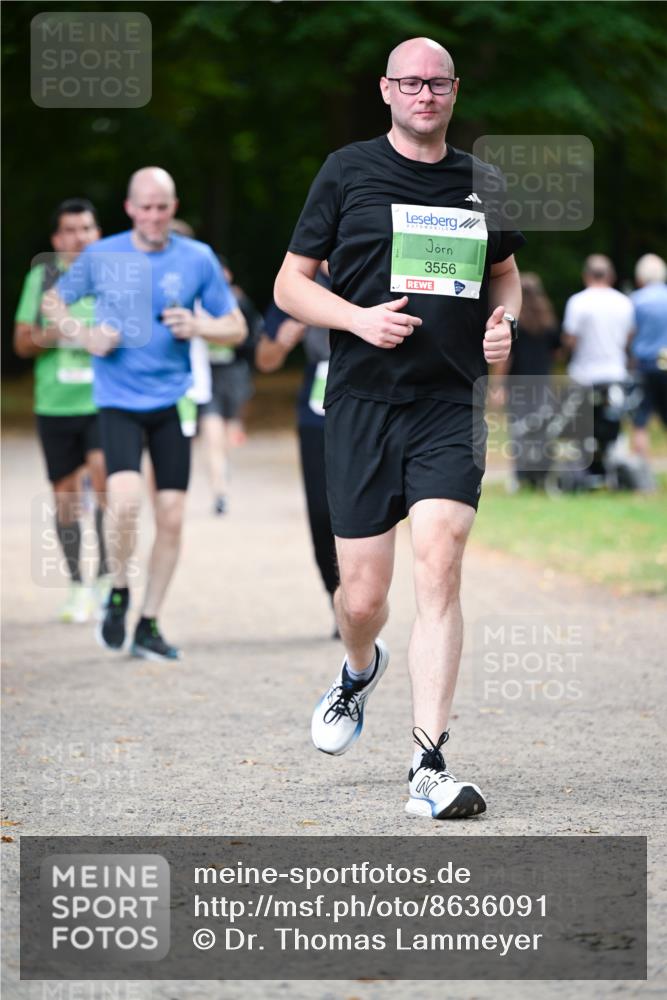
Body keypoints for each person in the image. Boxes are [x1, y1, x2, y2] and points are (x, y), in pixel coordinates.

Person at [274, 37, 524, 820]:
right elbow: (289, 285)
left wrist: (501, 326)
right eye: (411, 82)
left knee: (440, 563)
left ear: (453, 91)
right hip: (361, 404)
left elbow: (506, 276)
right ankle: (356, 669)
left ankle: (428, 764)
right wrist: (355, 318)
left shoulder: (483, 184)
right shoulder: (346, 171)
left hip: (449, 404)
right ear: (386, 90)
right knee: (362, 597)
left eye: (438, 83)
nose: (425, 94)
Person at [42, 167, 247, 661]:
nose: (154, 216)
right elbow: (53, 303)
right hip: (118, 401)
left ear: (172, 207)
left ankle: (149, 622)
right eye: (145, 207)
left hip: (172, 401)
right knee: (126, 502)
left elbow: (237, 328)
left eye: (163, 207)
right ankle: (118, 588)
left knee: (172, 516)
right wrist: (83, 333)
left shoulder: (196, 259)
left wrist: (200, 325)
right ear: (130, 208)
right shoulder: (101, 254)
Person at [14, 198, 109, 623]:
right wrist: (59, 331)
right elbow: (21, 343)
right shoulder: (44, 277)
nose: (79, 237)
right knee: (66, 498)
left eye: (86, 228)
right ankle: (78, 587)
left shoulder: (112, 276)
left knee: (106, 482)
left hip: (103, 401)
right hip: (55, 404)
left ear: (98, 234)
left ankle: (108, 580)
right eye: (69, 230)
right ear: (57, 239)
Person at [257, 264, 340, 634]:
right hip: (317, 410)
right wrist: (284, 340)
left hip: (376, 401)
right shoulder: (298, 281)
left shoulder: (375, 265)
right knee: (322, 512)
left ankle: (364, 594)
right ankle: (337, 594)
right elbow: (265, 359)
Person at [199, 258, 263, 515]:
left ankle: (223, 466)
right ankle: (219, 489)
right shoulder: (196, 301)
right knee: (210, 431)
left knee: (229, 429)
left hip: (234, 373)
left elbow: (253, 336)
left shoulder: (239, 302)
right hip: (207, 375)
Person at [562, 255, 634, 479]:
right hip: (615, 372)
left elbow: (570, 338)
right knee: (613, 426)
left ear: (586, 275)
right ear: (610, 276)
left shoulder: (578, 301)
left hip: (584, 374)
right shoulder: (624, 302)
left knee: (583, 426)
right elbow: (629, 337)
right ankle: (612, 469)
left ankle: (584, 470)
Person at [502, 272, 561, 489]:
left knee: (518, 430)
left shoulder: (514, 322)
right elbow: (557, 352)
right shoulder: (549, 320)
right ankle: (542, 476)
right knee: (543, 429)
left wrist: (498, 385)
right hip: (542, 382)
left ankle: (519, 476)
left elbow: (507, 357)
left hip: (518, 383)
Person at [629, 253, 667, 459]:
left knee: (640, 420)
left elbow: (630, 333)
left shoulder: (636, 300)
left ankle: (641, 475)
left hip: (644, 366)